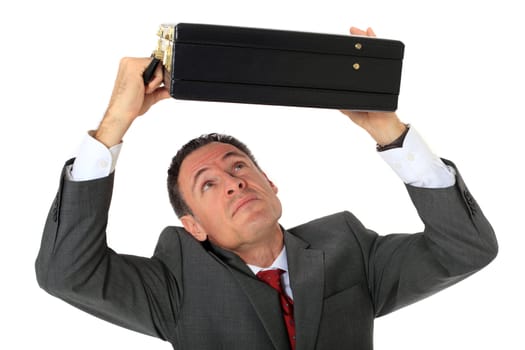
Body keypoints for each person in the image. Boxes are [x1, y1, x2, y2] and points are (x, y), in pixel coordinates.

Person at [35, 27, 498, 349]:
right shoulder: (173, 284)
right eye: (209, 183)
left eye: (239, 167)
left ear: (271, 184)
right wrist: (115, 123)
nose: (235, 182)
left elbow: (467, 249)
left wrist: (390, 133)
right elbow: (65, 274)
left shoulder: (349, 247)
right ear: (191, 225)